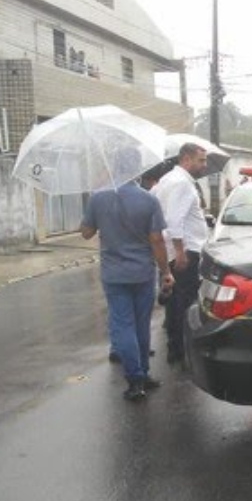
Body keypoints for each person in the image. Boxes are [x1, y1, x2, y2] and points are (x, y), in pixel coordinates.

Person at [80, 147, 175, 401]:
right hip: (143, 272)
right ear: (138, 169)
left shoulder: (98, 198)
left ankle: (135, 380)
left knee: (122, 325)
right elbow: (157, 240)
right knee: (141, 324)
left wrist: (97, 208)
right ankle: (143, 373)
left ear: (113, 166)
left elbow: (86, 232)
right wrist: (166, 271)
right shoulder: (148, 199)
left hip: (113, 274)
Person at [152, 143, 209, 365]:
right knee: (183, 305)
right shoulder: (181, 184)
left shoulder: (167, 180)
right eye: (201, 160)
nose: (204, 165)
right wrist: (180, 251)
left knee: (175, 303)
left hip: (174, 251)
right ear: (186, 159)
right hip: (184, 252)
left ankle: (176, 348)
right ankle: (180, 351)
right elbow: (175, 220)